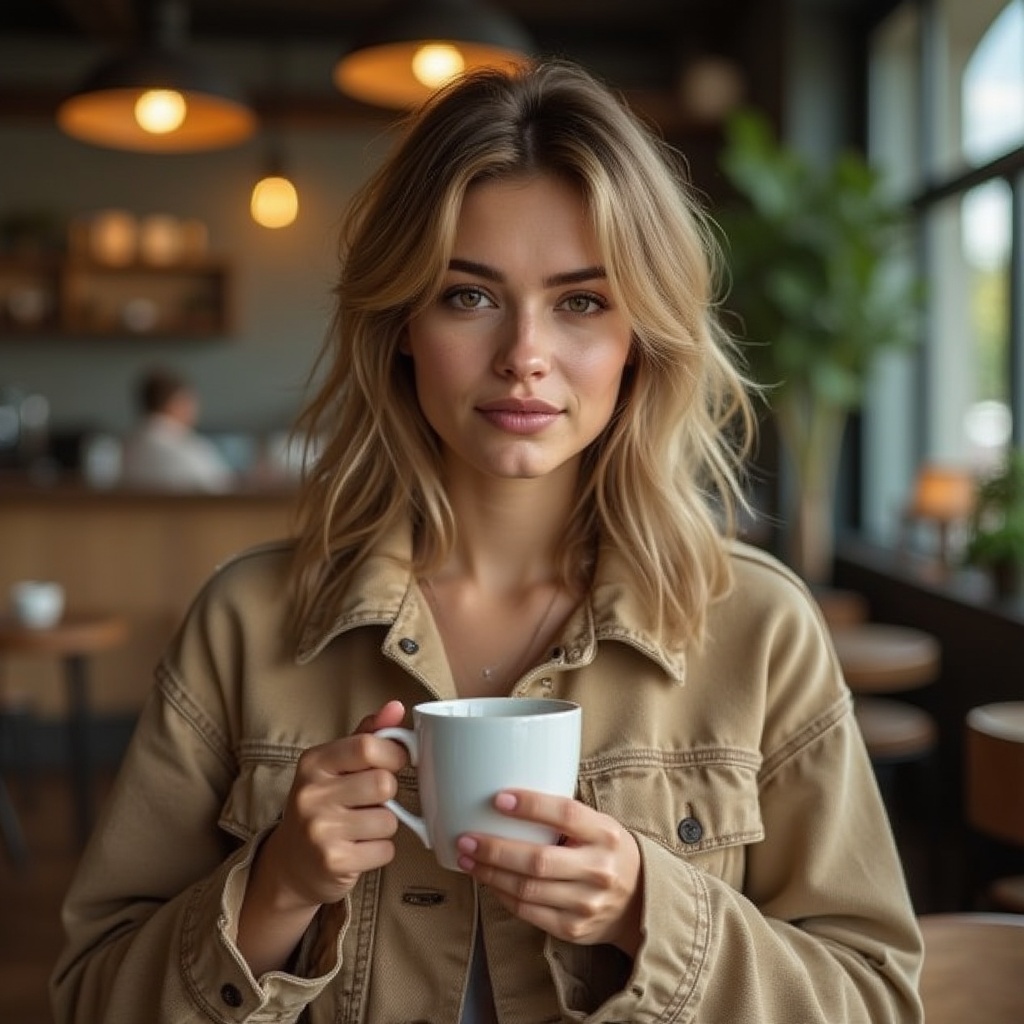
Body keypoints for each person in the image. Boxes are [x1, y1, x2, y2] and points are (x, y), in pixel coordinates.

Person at [51, 60, 924, 1023]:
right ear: (402, 324)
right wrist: (276, 890)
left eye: (582, 301)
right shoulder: (246, 622)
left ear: (641, 336)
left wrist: (649, 909)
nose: (524, 357)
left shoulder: (758, 628)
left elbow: (876, 999)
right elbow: (91, 998)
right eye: (469, 296)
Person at [120, 366, 236, 492]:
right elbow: (222, 487)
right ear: (176, 402)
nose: (195, 409)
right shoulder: (185, 447)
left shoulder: (127, 445)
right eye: (190, 400)